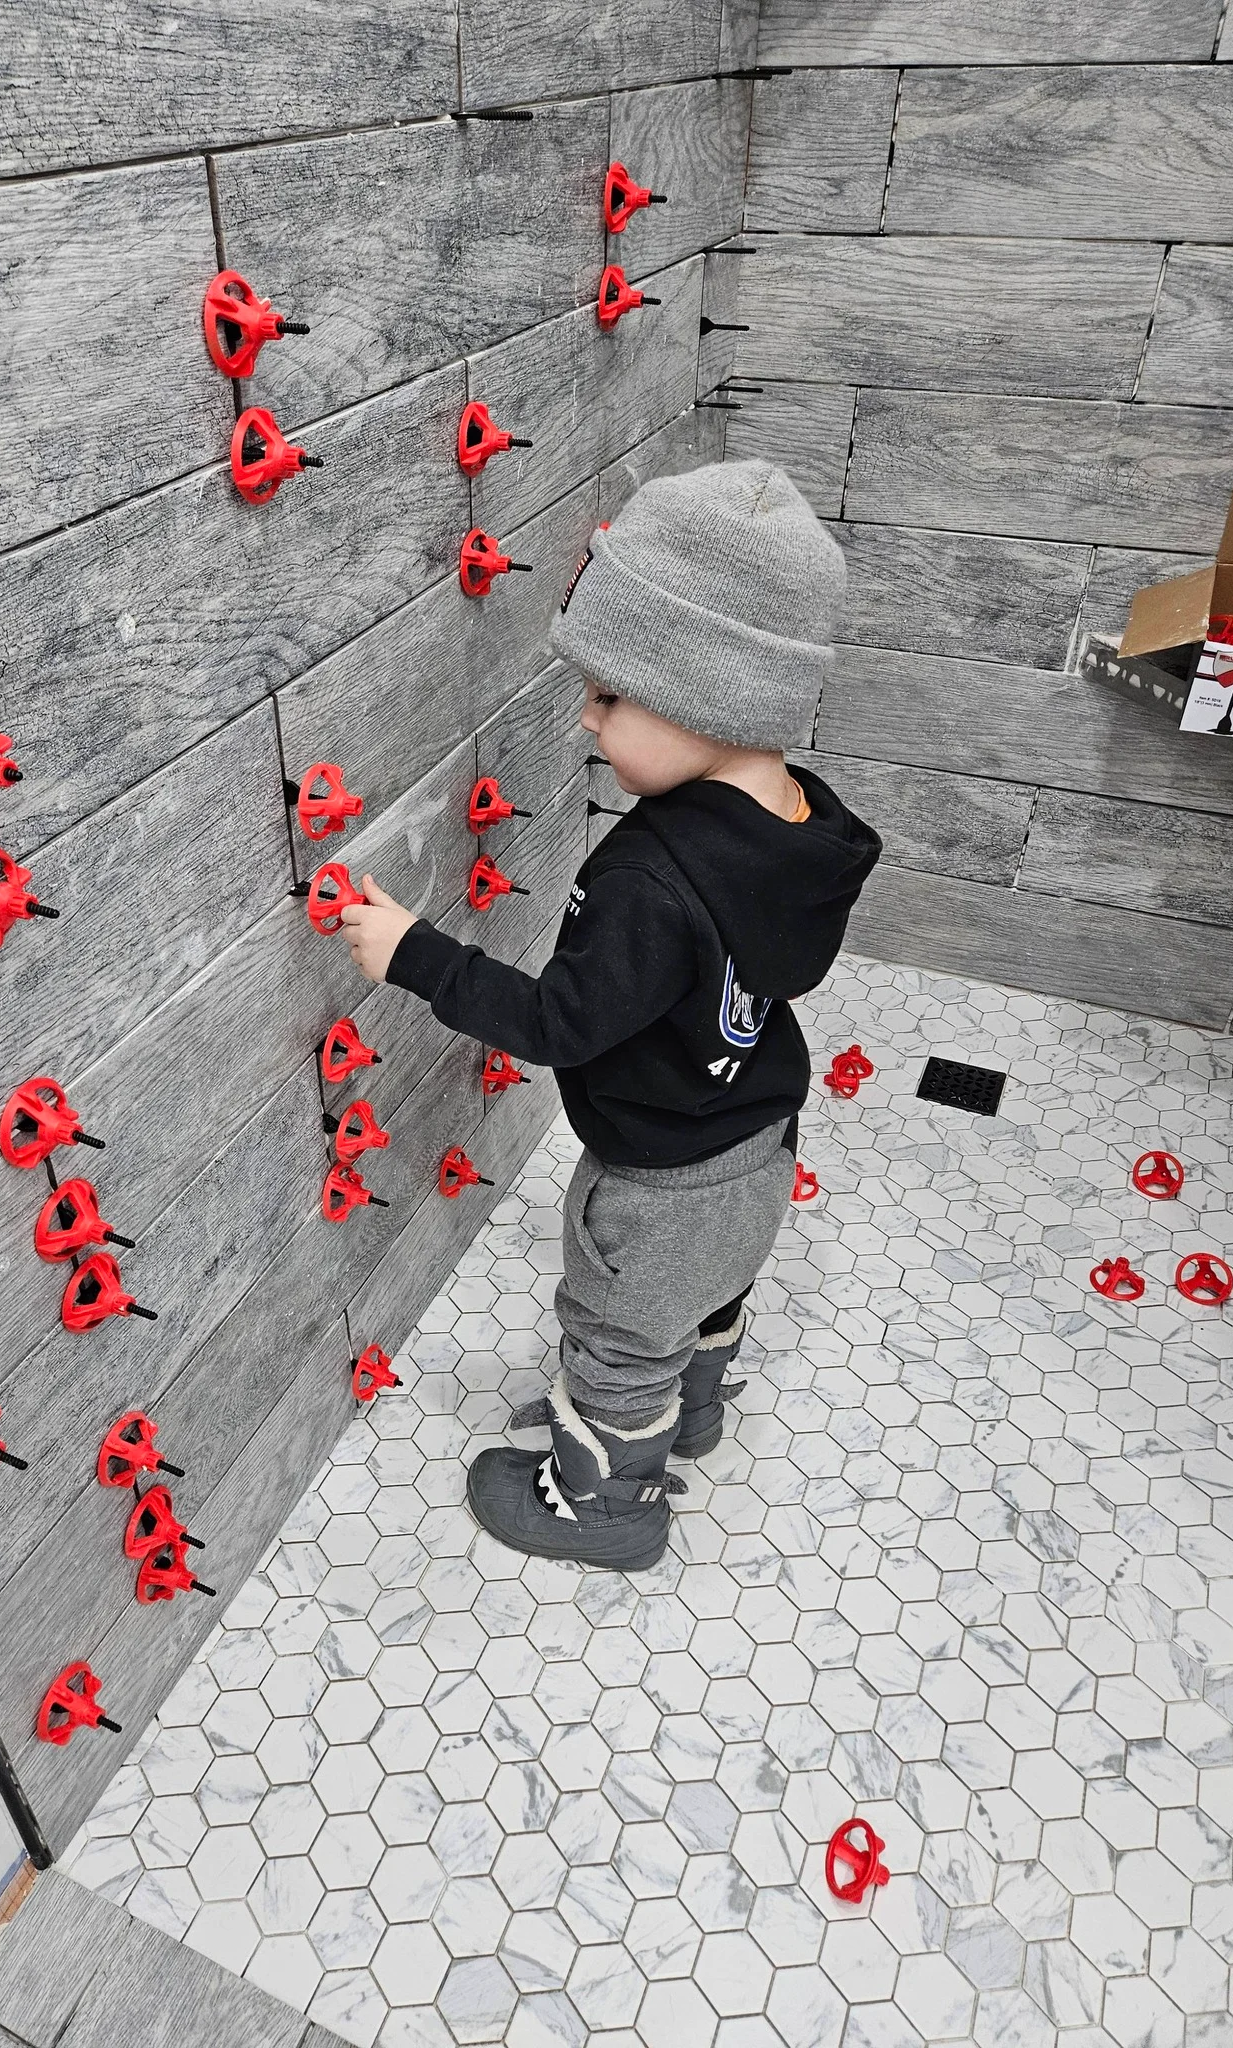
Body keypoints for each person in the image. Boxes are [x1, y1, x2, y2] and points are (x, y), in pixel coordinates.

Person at [339, 460, 881, 1570]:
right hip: (760, 1139)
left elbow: (557, 1023)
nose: (588, 720)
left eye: (609, 695)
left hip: (662, 1182)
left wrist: (415, 954)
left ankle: (605, 1504)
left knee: (618, 1340)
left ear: (703, 693)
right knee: (706, 1296)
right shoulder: (805, 831)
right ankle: (693, 1411)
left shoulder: (648, 876)